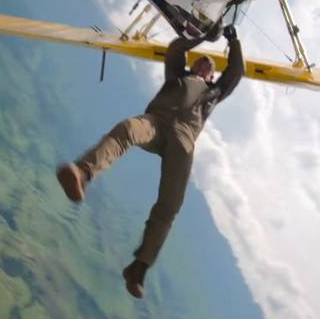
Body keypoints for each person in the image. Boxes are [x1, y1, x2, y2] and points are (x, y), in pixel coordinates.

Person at [56, 24, 245, 298]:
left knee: (171, 203)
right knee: (127, 129)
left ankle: (139, 268)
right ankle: (82, 174)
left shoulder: (214, 94)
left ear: (212, 76)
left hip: (183, 139)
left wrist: (234, 40)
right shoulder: (177, 75)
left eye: (209, 68)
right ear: (194, 67)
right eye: (202, 62)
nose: (205, 67)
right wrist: (206, 36)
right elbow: (176, 48)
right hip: (156, 122)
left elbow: (236, 72)